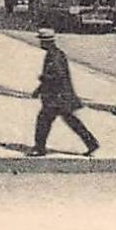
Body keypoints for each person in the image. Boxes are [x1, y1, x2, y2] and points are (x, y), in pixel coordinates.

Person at [28, 28, 99, 157]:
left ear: (46, 42)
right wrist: (38, 89)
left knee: (44, 120)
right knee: (71, 121)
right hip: (61, 96)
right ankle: (91, 143)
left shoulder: (53, 55)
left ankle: (39, 148)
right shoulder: (56, 53)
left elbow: (58, 75)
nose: (40, 43)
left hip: (57, 97)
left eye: (41, 41)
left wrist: (43, 79)